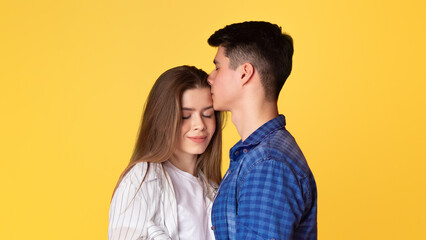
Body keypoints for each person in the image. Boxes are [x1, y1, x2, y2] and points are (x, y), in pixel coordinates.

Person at [207, 21, 317, 240]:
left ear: (244, 73)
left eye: (218, 67)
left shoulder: (267, 164)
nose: (210, 77)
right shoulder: (255, 156)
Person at [108, 66, 223, 240]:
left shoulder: (215, 189)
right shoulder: (142, 179)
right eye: (186, 116)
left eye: (207, 114)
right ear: (163, 120)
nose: (199, 124)